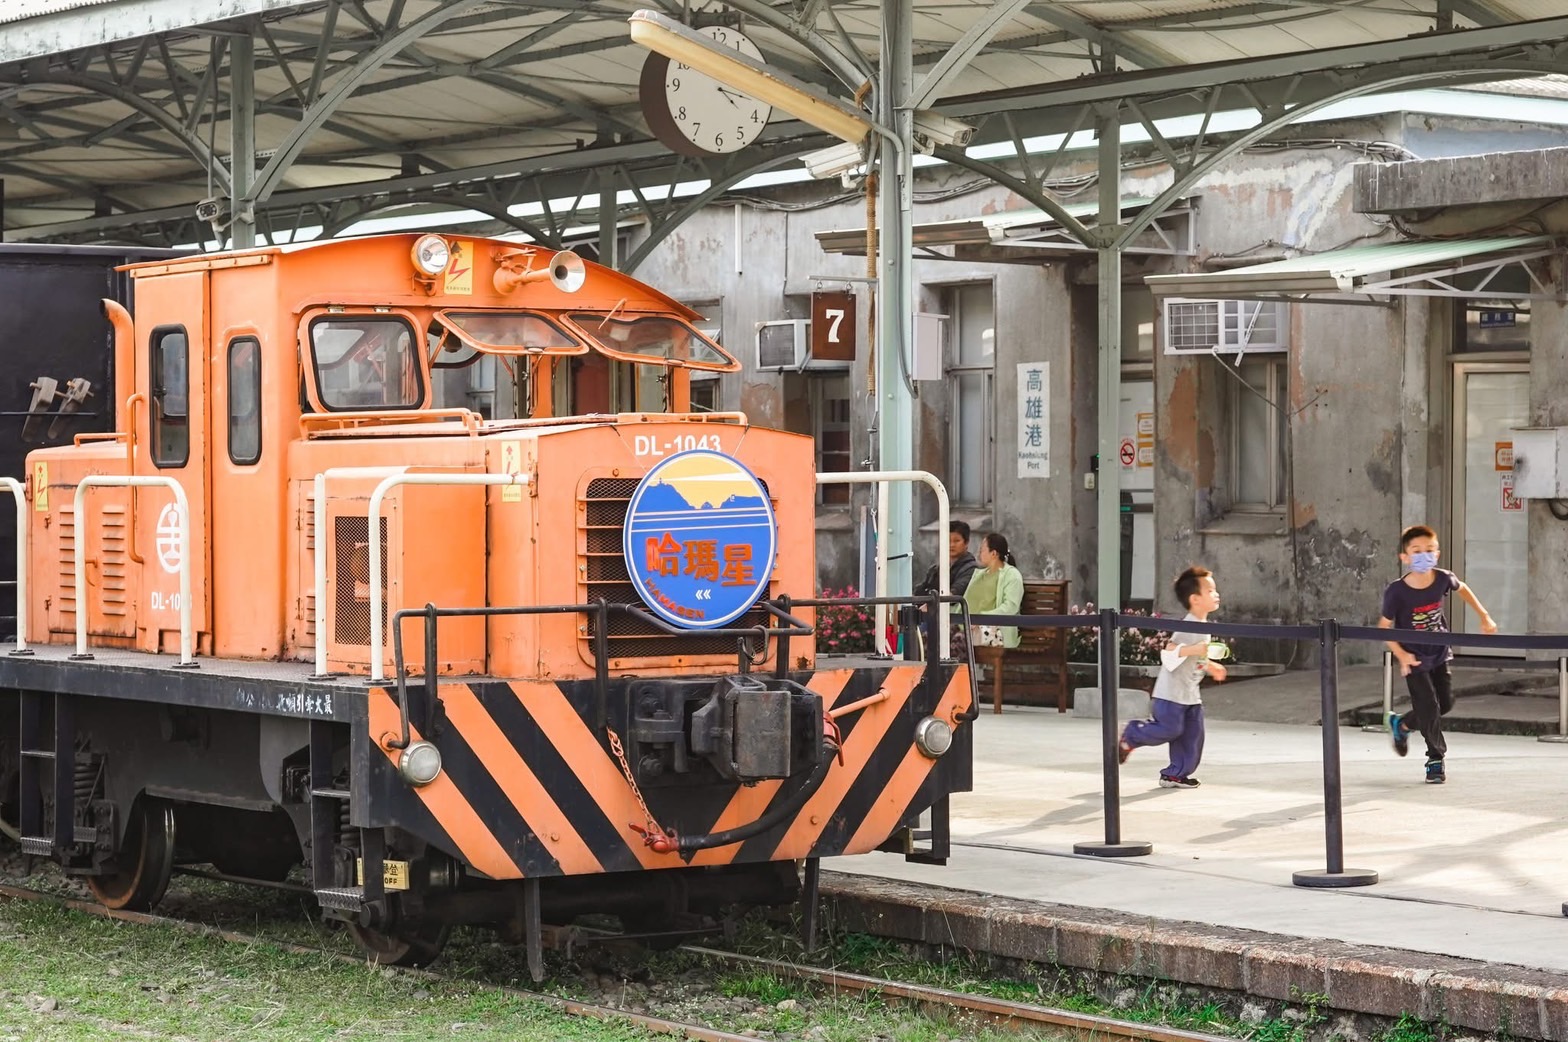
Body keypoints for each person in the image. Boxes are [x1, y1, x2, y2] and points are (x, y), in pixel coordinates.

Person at [1378, 524, 1496, 785]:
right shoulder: (1397, 591)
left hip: (1440, 652)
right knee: (1429, 707)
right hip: (1414, 657)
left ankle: (1402, 725)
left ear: (1437, 553)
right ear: (1405, 557)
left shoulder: (1443, 578)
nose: (1424, 555)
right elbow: (1383, 627)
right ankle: (1435, 758)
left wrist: (1484, 616)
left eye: (1429, 549)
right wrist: (1402, 655)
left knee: (1445, 703)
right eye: (1416, 550)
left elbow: (1462, 588)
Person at [1118, 566, 1227, 789]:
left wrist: (1211, 666)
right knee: (1170, 730)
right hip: (1170, 696)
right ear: (1195, 599)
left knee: (1192, 736)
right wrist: (1195, 649)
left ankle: (1175, 775)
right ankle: (1132, 733)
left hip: (1190, 695)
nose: (1216, 594)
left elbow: (1196, 657)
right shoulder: (1186, 626)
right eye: (1210, 591)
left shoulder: (1202, 626)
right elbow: (1169, 652)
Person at [963, 532, 1024, 650]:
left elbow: (1010, 607)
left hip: (993, 630)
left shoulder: (1012, 575)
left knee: (956, 640)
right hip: (968, 625)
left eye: (982, 550)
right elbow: (963, 603)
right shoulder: (978, 575)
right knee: (936, 634)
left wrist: (981, 618)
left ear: (994, 553)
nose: (979, 553)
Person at [915, 520, 978, 603]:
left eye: (956, 541)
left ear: (966, 543)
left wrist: (930, 605)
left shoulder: (971, 569)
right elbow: (920, 591)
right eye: (948, 540)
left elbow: (954, 594)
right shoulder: (935, 569)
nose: (951, 545)